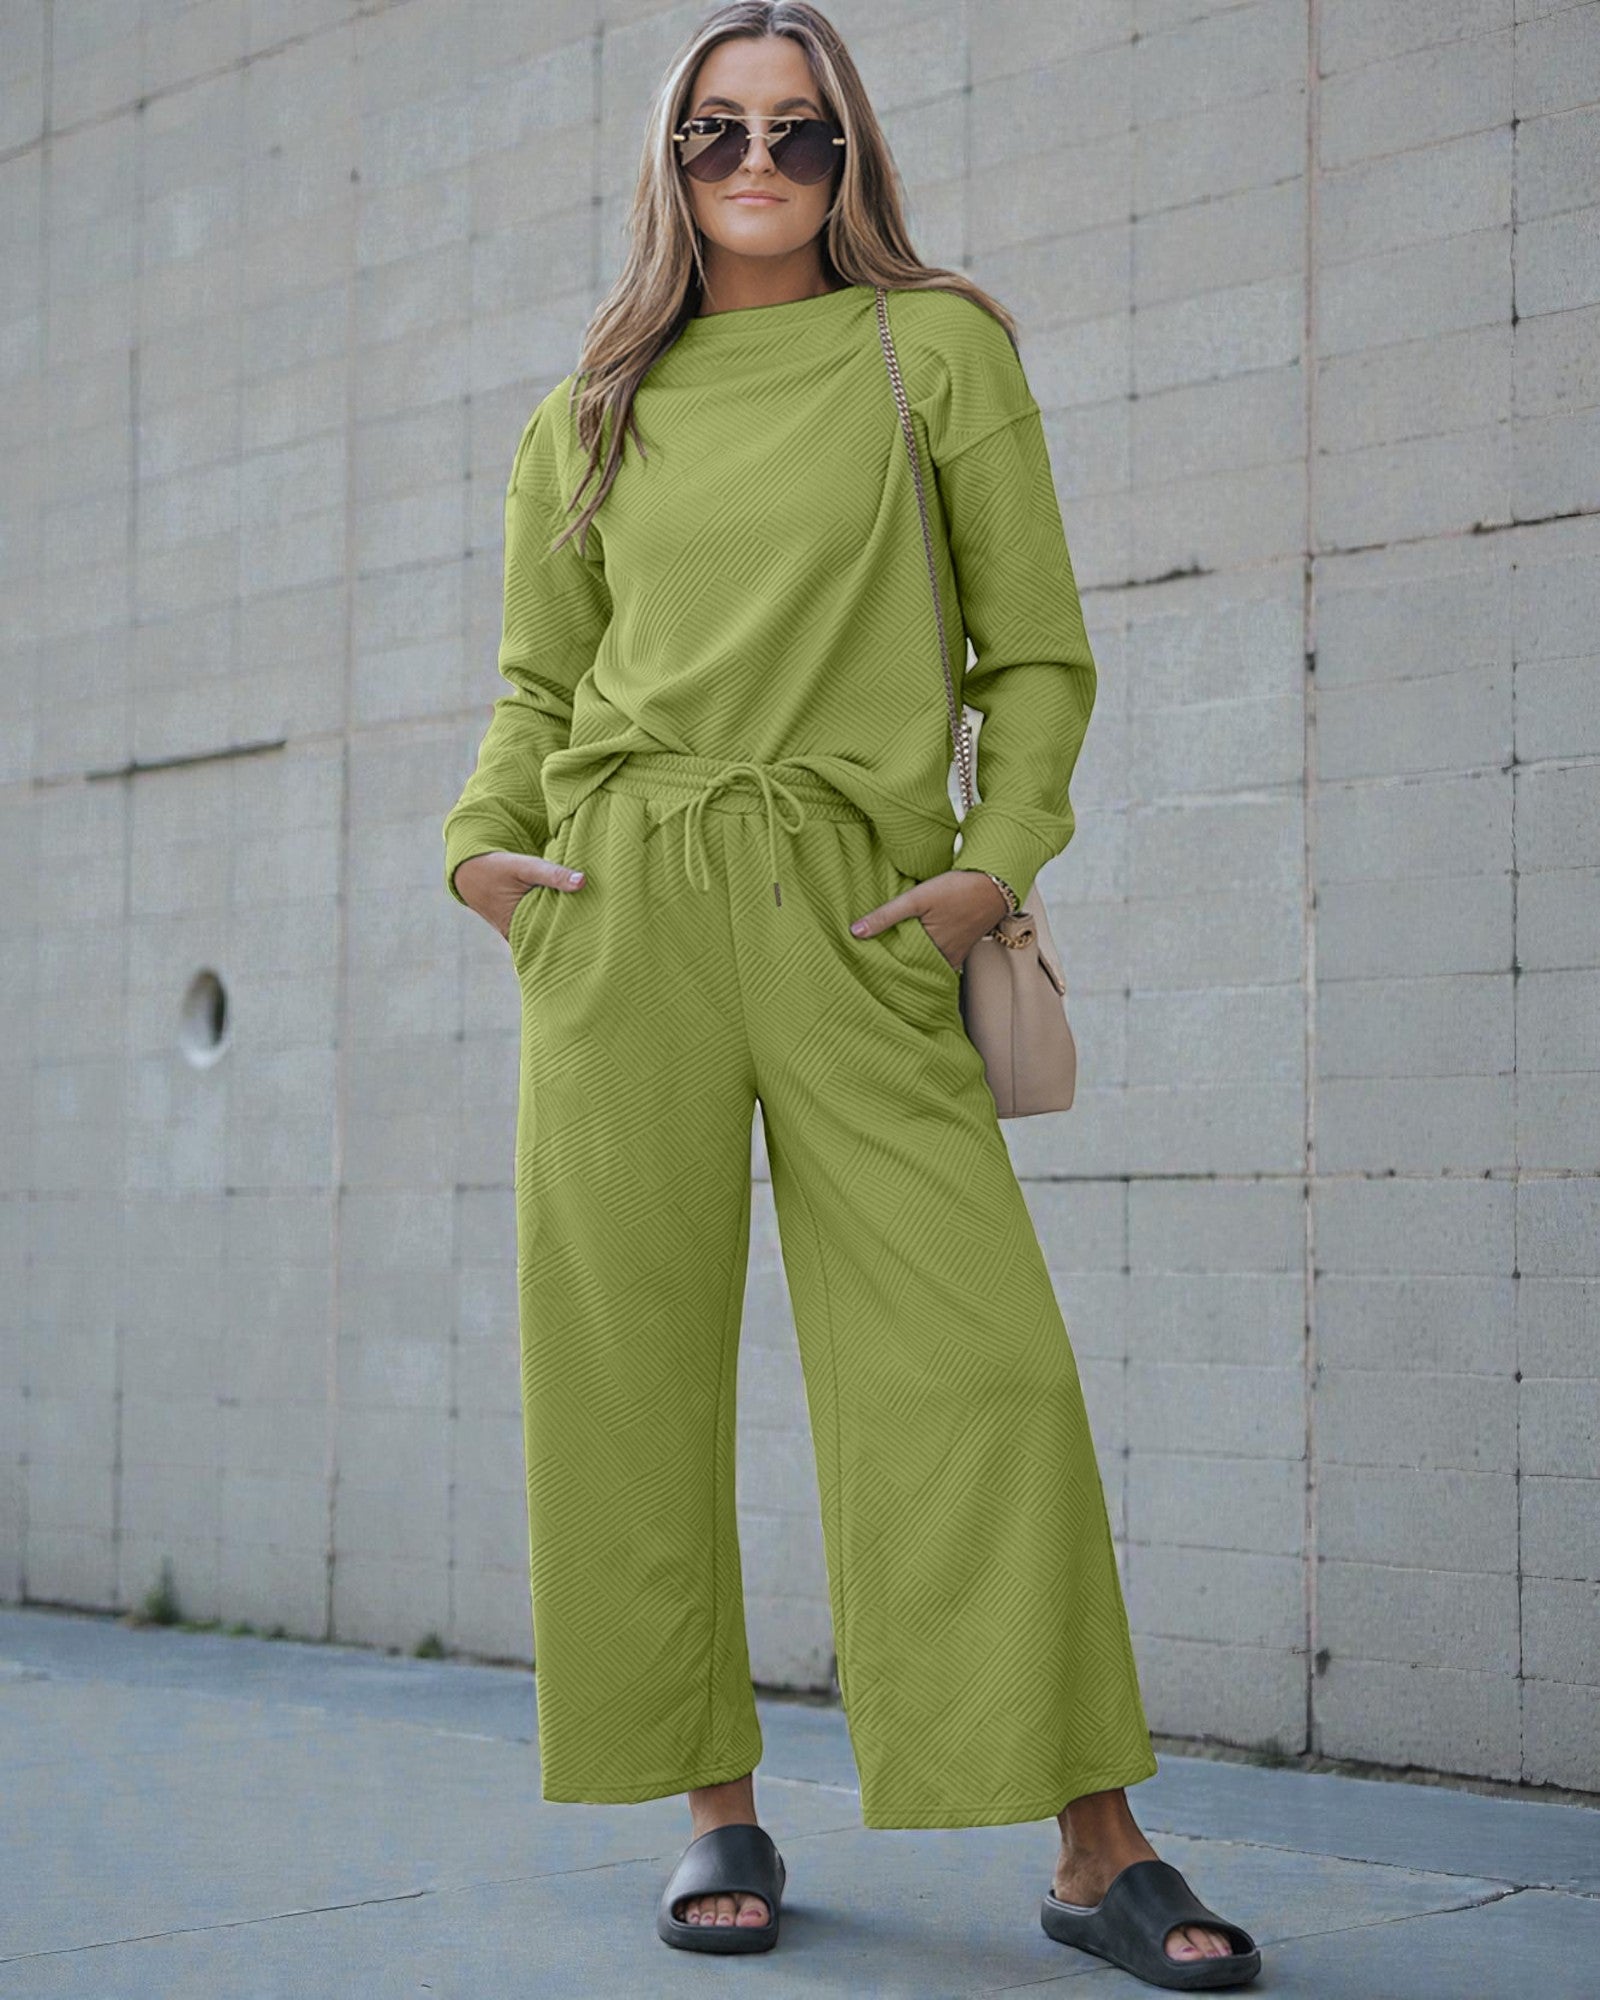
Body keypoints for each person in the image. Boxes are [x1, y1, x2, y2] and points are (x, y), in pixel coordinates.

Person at [442, 3, 1260, 1988]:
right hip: (618, 899)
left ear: (848, 159)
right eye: (719, 129)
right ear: (668, 155)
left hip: (855, 904)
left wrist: (1003, 852)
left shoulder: (934, 350)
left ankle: (1094, 1838)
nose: (755, 163)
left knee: (974, 1366)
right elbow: (537, 687)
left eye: (797, 135)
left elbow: (1034, 650)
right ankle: (711, 1799)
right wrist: (484, 847)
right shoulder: (591, 408)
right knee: (623, 1368)